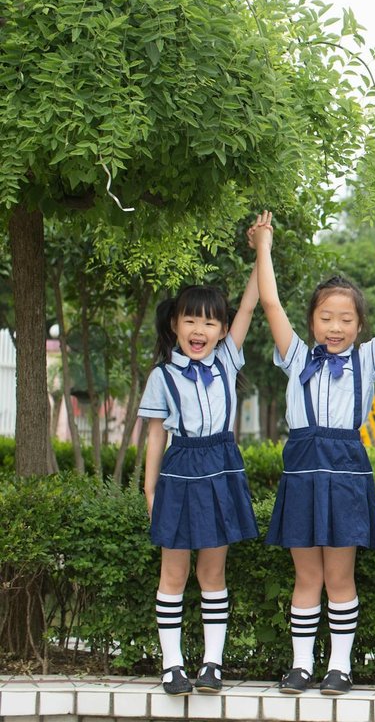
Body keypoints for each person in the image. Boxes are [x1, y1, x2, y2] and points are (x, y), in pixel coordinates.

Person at [253, 211, 375, 696]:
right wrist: (264, 244)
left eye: (346, 319)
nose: (335, 326)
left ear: (360, 325)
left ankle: (340, 667)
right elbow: (270, 301)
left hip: (346, 468)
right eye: (326, 317)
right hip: (302, 466)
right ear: (312, 322)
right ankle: (302, 666)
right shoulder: (297, 356)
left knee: (340, 576)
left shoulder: (368, 359)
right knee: (308, 575)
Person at [138, 221, 263, 696]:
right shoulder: (161, 377)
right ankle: (172, 667)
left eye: (210, 321)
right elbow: (154, 437)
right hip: (180, 470)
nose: (200, 329)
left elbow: (251, 302)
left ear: (222, 329)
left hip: (223, 466)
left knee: (213, 571)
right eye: (191, 320)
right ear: (175, 325)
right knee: (174, 571)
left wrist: (260, 251)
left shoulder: (228, 360)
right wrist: (150, 490)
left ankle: (211, 665)